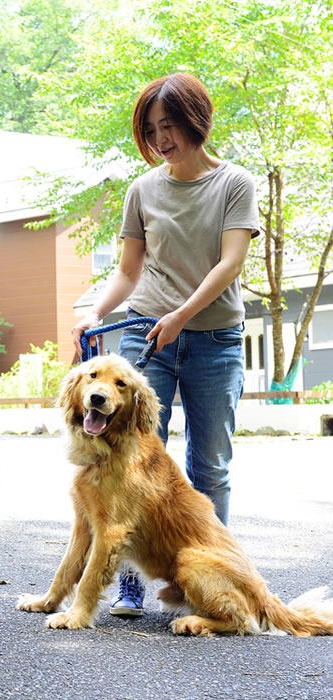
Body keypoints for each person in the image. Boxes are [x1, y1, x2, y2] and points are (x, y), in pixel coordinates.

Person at [72, 73, 259, 617]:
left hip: (214, 338)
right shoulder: (143, 190)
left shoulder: (234, 184)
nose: (159, 139)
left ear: (195, 120)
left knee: (211, 465)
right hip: (147, 332)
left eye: (169, 125)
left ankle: (201, 578)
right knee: (127, 457)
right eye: (151, 129)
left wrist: (182, 315)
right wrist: (98, 310)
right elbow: (129, 271)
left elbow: (230, 263)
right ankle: (130, 578)